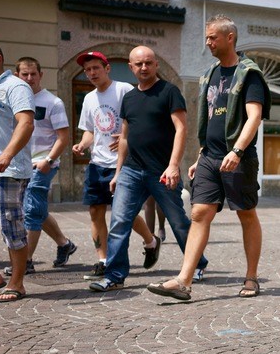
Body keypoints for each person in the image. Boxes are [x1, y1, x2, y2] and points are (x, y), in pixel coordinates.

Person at [147, 14, 270, 301]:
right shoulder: (210, 74)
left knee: (246, 214)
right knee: (200, 212)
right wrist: (201, 153)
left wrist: (237, 151)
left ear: (230, 38)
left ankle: (251, 278)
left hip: (238, 157)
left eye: (213, 37)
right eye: (207, 37)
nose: (208, 42)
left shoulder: (248, 73)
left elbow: (254, 118)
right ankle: (183, 281)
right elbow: (211, 118)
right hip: (210, 157)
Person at [89, 46, 208, 292]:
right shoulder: (130, 97)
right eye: (138, 64)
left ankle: (197, 264)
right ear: (131, 67)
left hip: (162, 171)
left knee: (178, 221)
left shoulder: (169, 91)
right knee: (119, 222)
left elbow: (181, 129)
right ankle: (114, 276)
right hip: (131, 171)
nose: (143, 68)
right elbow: (124, 137)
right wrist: (118, 173)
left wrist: (174, 165)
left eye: (148, 63)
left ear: (156, 65)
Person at [72, 51, 158, 281]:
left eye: (96, 68)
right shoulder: (89, 98)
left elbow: (140, 120)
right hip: (97, 164)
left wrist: (126, 137)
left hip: (123, 163)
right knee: (95, 212)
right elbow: (90, 130)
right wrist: (82, 144)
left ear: (107, 68)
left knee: (124, 214)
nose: (91, 73)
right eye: (87, 70)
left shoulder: (123, 90)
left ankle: (150, 241)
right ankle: (103, 260)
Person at [3, 57, 77, 277]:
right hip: (19, 165)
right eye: (24, 74)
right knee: (37, 209)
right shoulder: (12, 100)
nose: (29, 78)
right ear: (17, 75)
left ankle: (26, 261)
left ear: (40, 75)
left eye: (33, 74)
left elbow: (63, 137)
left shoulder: (52, 102)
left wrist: (49, 160)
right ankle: (64, 244)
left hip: (44, 163)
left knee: (31, 210)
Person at [0, 40, 35, 302]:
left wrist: (6, 154)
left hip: (7, 170)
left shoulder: (14, 86)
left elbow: (26, 123)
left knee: (11, 227)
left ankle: (17, 283)